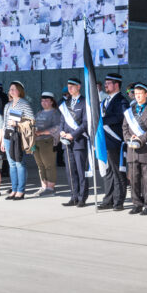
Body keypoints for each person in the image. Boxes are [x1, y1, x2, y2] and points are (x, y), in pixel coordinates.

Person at [123, 83, 147, 215]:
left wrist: (141, 138)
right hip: (132, 148)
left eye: (140, 93)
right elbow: (124, 128)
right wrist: (130, 138)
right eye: (136, 93)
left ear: (146, 94)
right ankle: (136, 204)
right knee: (133, 178)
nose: (138, 96)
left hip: (146, 148)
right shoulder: (129, 112)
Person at [99, 73, 129, 211]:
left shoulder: (121, 101)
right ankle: (108, 199)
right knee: (108, 172)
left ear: (117, 84)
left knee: (118, 172)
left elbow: (120, 117)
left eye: (109, 83)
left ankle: (119, 201)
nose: (106, 85)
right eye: (105, 83)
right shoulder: (105, 101)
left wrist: (101, 121)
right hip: (105, 140)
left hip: (115, 141)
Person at [2, 81, 35, 200]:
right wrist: (1, 140)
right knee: (11, 164)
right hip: (7, 136)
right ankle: (14, 189)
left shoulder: (24, 103)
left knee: (19, 163)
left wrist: (17, 123)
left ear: (19, 90)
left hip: (18, 136)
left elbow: (32, 120)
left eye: (14, 89)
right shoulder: (7, 105)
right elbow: (4, 124)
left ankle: (21, 190)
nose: (11, 91)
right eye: (10, 89)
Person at [59, 78, 88, 208]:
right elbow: (62, 121)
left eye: (72, 86)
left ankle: (82, 197)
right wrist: (61, 131)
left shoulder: (84, 102)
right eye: (68, 86)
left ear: (79, 86)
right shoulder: (66, 103)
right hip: (66, 142)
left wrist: (73, 134)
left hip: (79, 141)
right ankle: (74, 196)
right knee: (70, 171)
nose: (69, 89)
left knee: (81, 171)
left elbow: (86, 123)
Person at [33, 91, 61, 197]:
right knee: (40, 165)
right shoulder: (39, 113)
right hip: (37, 141)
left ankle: (50, 188)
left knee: (49, 165)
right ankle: (44, 186)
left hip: (48, 141)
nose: (44, 102)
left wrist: (42, 132)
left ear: (52, 102)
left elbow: (58, 128)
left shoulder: (55, 113)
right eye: (42, 100)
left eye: (46, 100)